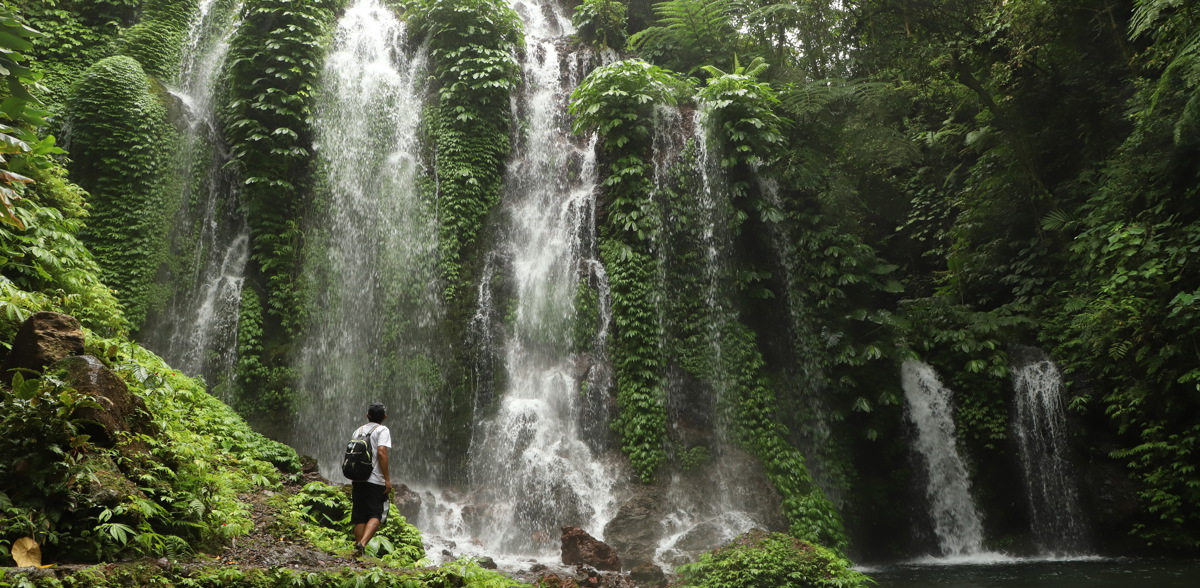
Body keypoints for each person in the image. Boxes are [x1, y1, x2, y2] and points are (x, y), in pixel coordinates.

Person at [351, 401, 392, 555]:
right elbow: (381, 452)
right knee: (376, 514)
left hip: (358, 479)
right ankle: (362, 544)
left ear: (367, 415)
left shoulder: (358, 431)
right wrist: (387, 479)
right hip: (375, 480)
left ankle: (358, 550)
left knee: (360, 515)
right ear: (385, 416)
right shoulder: (382, 430)